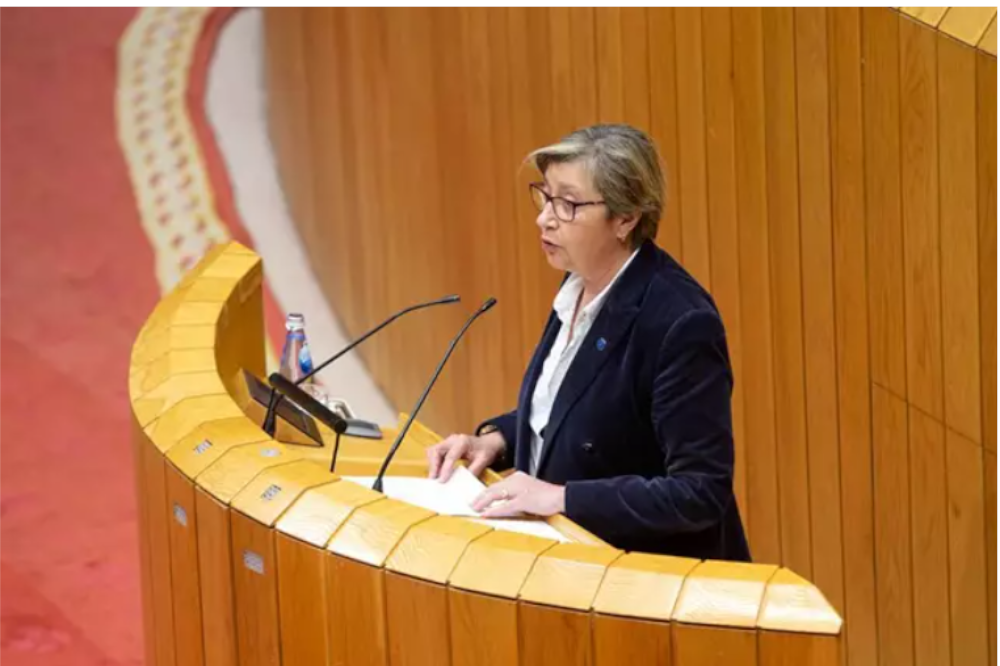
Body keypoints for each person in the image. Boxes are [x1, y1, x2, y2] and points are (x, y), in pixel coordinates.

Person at [426, 124, 750, 561]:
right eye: (545, 195)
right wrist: (498, 440)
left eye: (569, 203)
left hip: (648, 583)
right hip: (575, 562)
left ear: (626, 218)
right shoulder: (580, 283)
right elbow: (579, 409)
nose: (545, 217)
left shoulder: (680, 321)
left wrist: (562, 498)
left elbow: (699, 491)